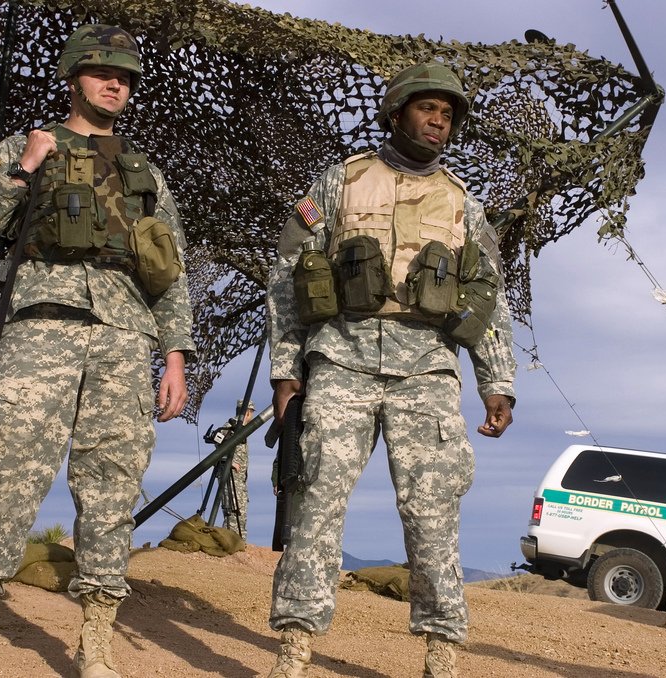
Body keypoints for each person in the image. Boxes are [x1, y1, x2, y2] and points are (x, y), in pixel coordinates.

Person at [0, 24, 194, 678]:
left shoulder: (144, 173)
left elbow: (168, 273)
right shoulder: (24, 147)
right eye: (102, 72)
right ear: (74, 79)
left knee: (112, 487)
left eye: (126, 77)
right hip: (39, 329)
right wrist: (23, 169)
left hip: (123, 339)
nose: (116, 84)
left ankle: (96, 642)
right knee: (6, 476)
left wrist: (175, 354)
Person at [264, 62, 516, 678]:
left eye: (449, 114)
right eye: (428, 108)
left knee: (432, 512)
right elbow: (288, 276)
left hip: (428, 369)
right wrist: (284, 371)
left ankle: (442, 655)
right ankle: (294, 651)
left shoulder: (460, 202)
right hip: (341, 357)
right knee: (315, 503)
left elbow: (489, 294)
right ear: (397, 112)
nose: (439, 121)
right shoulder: (340, 184)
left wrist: (497, 382)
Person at [221, 399, 255, 535]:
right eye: (251, 412)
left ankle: (238, 540)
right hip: (231, 476)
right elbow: (219, 446)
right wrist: (230, 463)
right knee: (234, 509)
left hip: (240, 478)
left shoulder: (240, 428)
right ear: (247, 412)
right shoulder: (231, 426)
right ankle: (230, 539)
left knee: (240, 508)